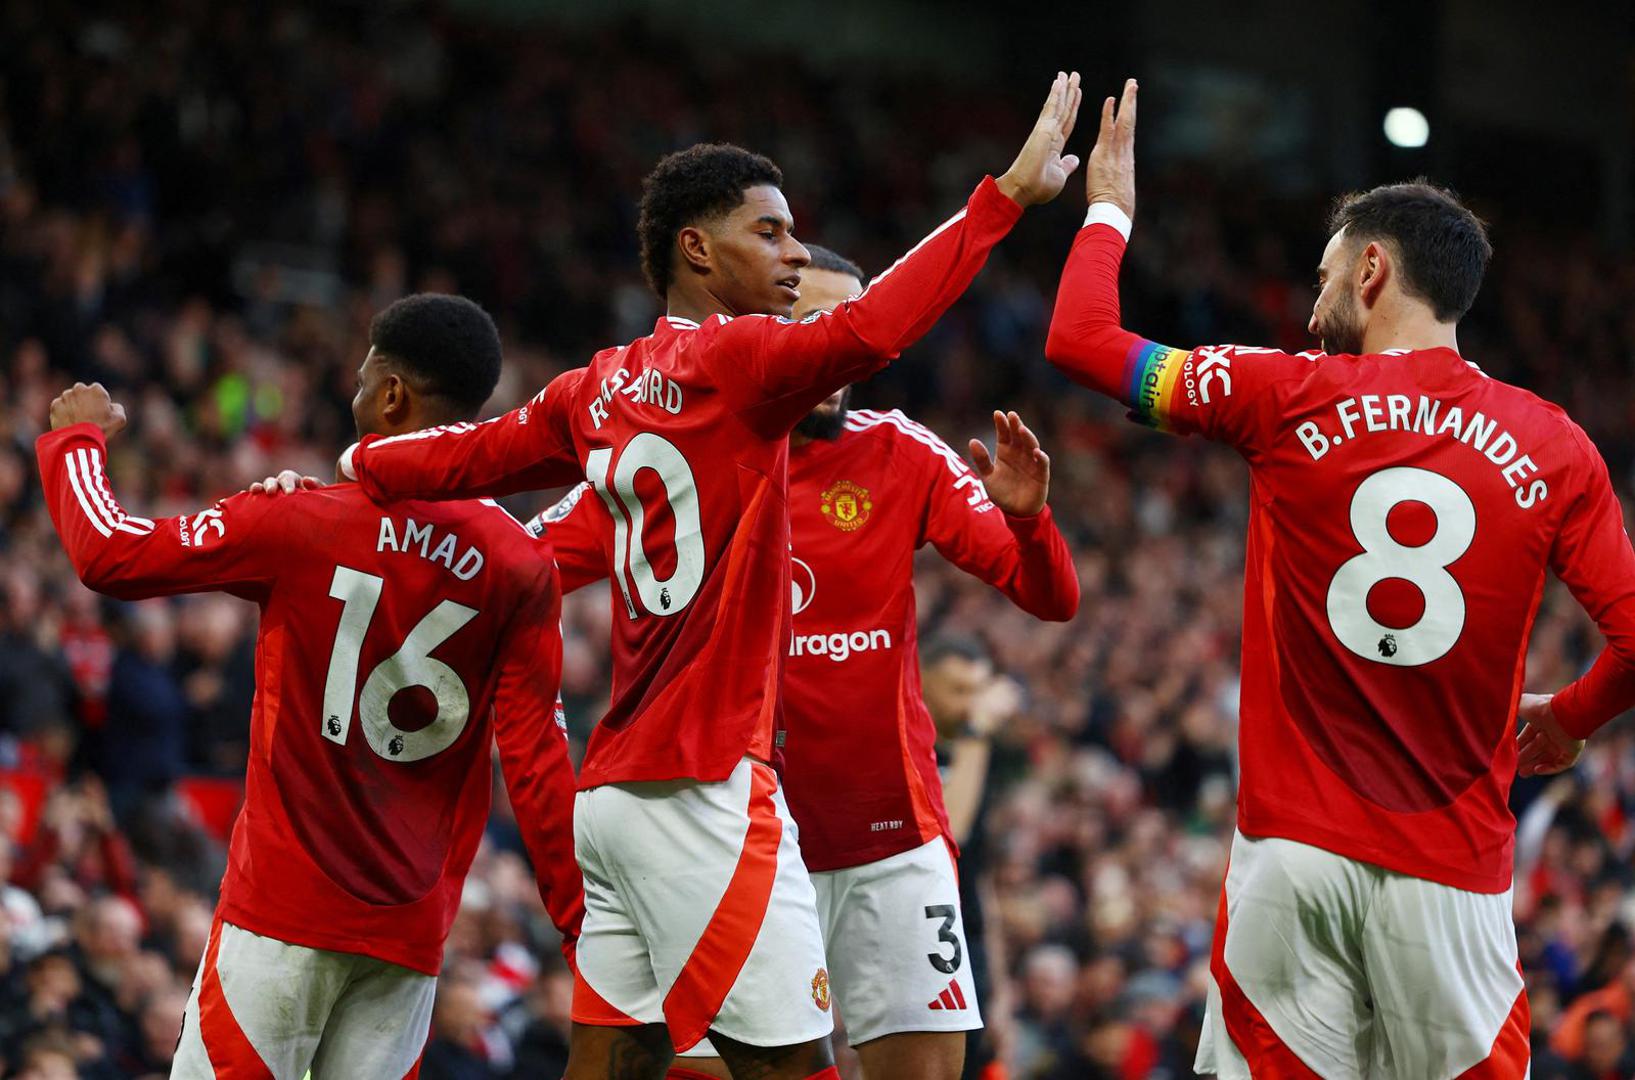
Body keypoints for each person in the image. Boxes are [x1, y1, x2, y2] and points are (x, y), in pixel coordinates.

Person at [340, 72, 1085, 1080]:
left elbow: (468, 458)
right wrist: (1003, 201)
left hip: (634, 796)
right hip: (707, 793)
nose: (792, 256)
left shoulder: (599, 385)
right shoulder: (741, 367)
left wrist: (356, 470)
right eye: (771, 236)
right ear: (697, 250)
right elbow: (875, 329)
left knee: (613, 1065)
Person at [1042, 78, 1635, 1078]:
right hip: (1452, 878)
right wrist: (1571, 717)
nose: (1313, 305)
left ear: (1370, 269)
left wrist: (1107, 212)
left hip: (1293, 858)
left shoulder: (1281, 392)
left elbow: (1080, 341)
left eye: (1322, 276)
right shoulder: (1555, 447)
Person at [532, 246, 1078, 1080]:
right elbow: (521, 562)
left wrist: (1031, 523)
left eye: (841, 322)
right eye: (800, 320)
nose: (826, 343)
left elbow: (1050, 596)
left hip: (885, 839)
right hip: (724, 841)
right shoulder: (677, 457)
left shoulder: (900, 453)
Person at [35, 293, 583, 1079]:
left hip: (281, 912)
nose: (352, 393)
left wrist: (75, 442)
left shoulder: (301, 518)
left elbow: (111, 553)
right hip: (408, 938)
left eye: (361, 380)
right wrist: (579, 927)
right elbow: (537, 767)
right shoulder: (522, 565)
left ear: (391, 394)